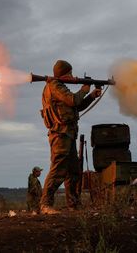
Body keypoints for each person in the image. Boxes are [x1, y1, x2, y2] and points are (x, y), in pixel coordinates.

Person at [39, 60, 101, 214]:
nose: (73, 76)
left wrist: (92, 95)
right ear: (64, 74)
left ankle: (73, 204)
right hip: (60, 134)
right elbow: (73, 100)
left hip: (68, 134)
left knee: (73, 171)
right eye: (70, 74)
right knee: (58, 168)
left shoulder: (59, 87)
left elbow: (77, 105)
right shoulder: (54, 86)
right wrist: (85, 88)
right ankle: (45, 204)